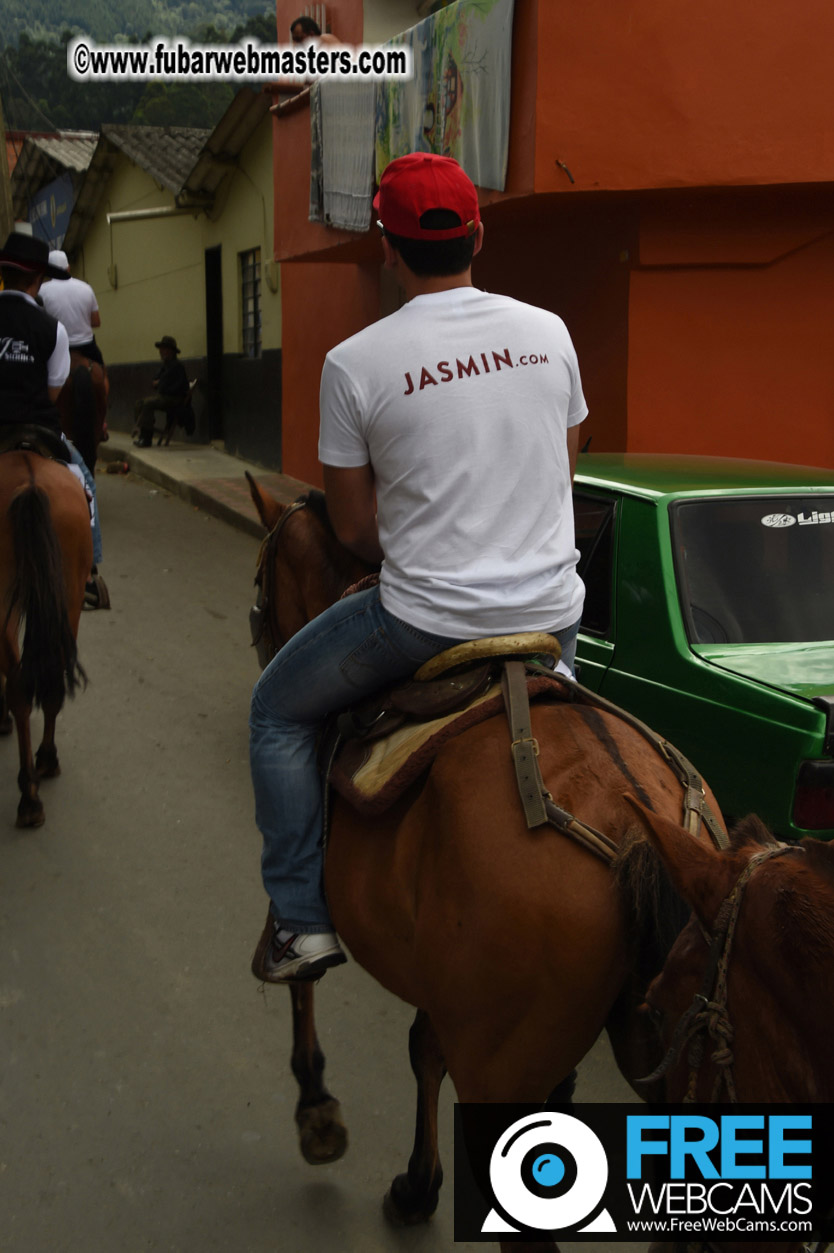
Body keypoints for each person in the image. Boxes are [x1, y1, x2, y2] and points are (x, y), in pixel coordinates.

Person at [249, 152, 588, 983]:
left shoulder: (354, 362)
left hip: (424, 620)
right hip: (554, 616)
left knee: (275, 713)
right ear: (478, 232)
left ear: (386, 246)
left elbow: (358, 528)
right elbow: (562, 470)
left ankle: (299, 919)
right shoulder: (550, 331)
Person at [0, 230, 106, 599]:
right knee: (85, 483)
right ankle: (89, 574)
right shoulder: (53, 330)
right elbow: (54, 390)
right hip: (37, 428)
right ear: (37, 280)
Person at [39, 250, 106, 372]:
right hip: (86, 346)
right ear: (68, 268)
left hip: (56, 348)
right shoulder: (86, 288)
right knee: (102, 374)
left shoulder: (41, 291)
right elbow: (96, 322)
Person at [133, 335, 190, 447]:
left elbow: (165, 385)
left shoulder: (177, 366)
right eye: (161, 349)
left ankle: (146, 439)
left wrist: (160, 383)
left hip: (174, 399)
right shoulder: (166, 366)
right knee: (139, 403)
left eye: (164, 349)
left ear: (171, 351)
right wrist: (160, 383)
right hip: (164, 396)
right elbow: (156, 381)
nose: (161, 352)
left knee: (148, 403)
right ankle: (144, 434)